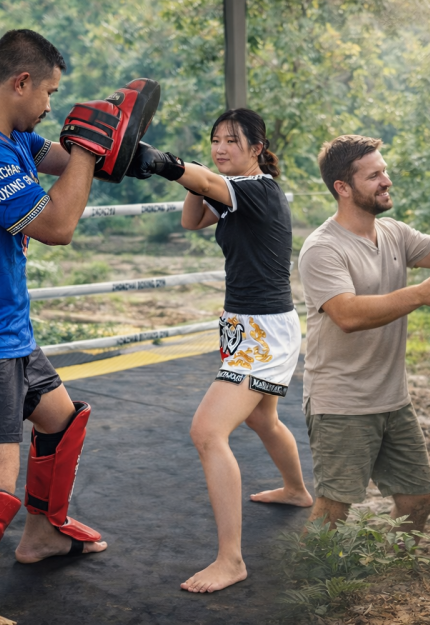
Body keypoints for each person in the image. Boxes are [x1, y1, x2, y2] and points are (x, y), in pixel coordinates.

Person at [0, 29, 158, 602]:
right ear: (20, 82)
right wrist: (95, 151)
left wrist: (128, 153)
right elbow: (57, 226)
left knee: (59, 420)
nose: (50, 105)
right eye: (47, 92)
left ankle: (43, 535)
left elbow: (68, 158)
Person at [126, 108, 312, 593]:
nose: (220, 147)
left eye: (232, 140)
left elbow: (209, 185)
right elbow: (192, 219)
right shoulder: (229, 192)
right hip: (242, 326)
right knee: (262, 419)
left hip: (264, 332)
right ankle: (295, 490)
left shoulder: (259, 190)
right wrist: (197, 178)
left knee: (208, 431)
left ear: (257, 148)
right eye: (215, 140)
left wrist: (160, 161)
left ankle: (231, 560)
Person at [298, 134, 430, 537]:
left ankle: (384, 567)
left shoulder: (393, 233)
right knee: (332, 510)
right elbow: (346, 314)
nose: (387, 180)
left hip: (392, 400)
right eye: (374, 175)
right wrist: (420, 293)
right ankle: (307, 585)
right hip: (342, 402)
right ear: (342, 188)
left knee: (419, 499)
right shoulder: (322, 248)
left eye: (385, 170)